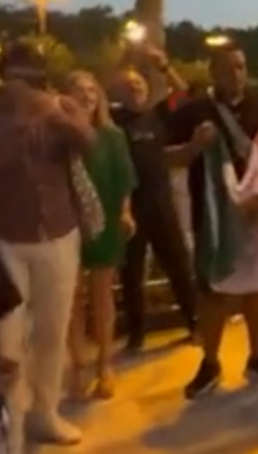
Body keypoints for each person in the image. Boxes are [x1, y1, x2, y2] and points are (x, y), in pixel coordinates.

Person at [165, 41, 258, 399]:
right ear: (212, 73)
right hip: (214, 215)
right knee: (214, 291)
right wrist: (193, 147)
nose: (235, 75)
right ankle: (210, 362)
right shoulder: (195, 109)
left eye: (240, 67)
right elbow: (167, 157)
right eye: (227, 68)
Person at [0, 41, 96, 450]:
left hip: (58, 233)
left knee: (52, 332)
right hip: (6, 241)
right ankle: (11, 427)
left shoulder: (58, 107)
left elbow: (90, 143)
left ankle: (44, 413)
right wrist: (17, 127)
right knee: (7, 341)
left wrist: (60, 115)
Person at [110, 48, 198, 351]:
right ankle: (136, 335)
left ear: (147, 89)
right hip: (130, 208)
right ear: (120, 92)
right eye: (129, 86)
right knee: (131, 275)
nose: (135, 88)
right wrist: (126, 58)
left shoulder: (158, 115)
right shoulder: (114, 120)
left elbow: (184, 94)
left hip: (161, 205)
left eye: (139, 85)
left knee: (178, 266)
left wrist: (164, 65)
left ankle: (194, 322)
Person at [65, 71, 137, 400]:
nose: (87, 96)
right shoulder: (60, 135)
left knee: (102, 295)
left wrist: (124, 211)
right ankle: (77, 366)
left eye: (92, 90)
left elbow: (125, 178)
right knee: (72, 298)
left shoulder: (112, 135)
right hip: (68, 222)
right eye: (79, 91)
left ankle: (105, 364)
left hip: (106, 219)